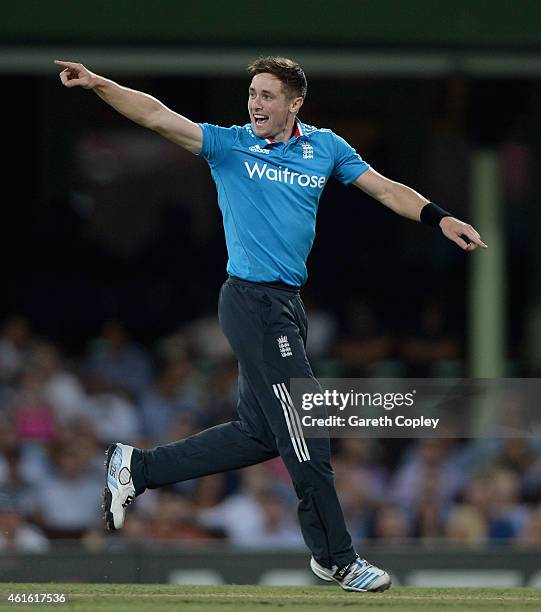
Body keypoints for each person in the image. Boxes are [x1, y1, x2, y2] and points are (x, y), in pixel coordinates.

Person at [55, 56, 486, 594]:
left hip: (287, 307)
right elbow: (158, 116)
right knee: (307, 428)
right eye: (252, 93)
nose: (255, 104)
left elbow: (384, 188)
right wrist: (100, 85)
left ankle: (136, 468)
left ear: (293, 103)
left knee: (259, 435)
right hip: (250, 302)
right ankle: (338, 558)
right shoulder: (229, 144)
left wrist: (439, 216)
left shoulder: (324, 146)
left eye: (266, 95)